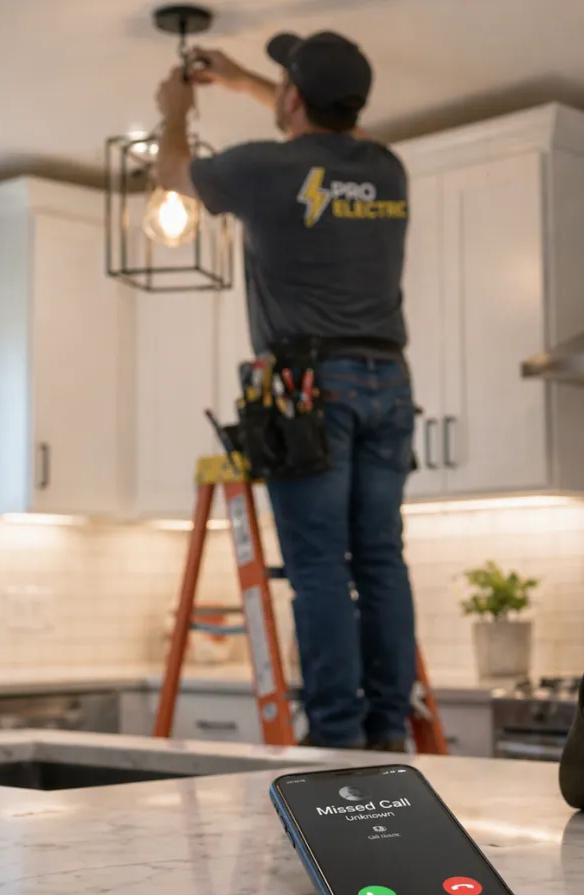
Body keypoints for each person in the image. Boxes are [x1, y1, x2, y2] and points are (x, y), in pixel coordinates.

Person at [153, 31, 416, 751]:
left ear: (293, 98)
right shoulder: (388, 170)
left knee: (318, 565)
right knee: (381, 559)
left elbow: (171, 173)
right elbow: (338, 136)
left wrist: (174, 108)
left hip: (309, 384)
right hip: (390, 380)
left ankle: (334, 734)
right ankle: (388, 727)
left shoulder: (266, 169)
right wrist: (249, 81)